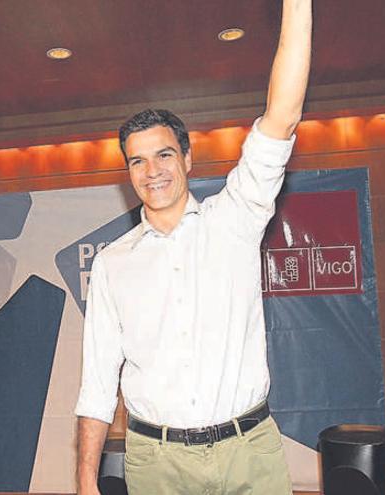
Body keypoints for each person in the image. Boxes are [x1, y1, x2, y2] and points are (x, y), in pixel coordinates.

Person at [74, 1, 312, 493]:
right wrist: (84, 481)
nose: (152, 171)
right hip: (155, 464)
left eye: (163, 154)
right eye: (137, 162)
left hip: (249, 453)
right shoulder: (113, 265)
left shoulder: (236, 218)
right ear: (127, 173)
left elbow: (282, 115)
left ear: (187, 157)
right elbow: (97, 384)